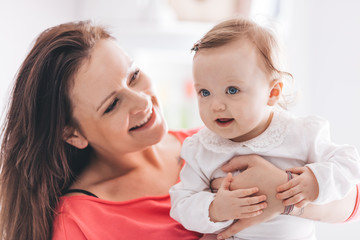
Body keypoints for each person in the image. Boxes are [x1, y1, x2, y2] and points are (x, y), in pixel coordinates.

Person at [0, 20, 359, 240]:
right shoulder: (80, 222)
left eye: (134, 76)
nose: (142, 102)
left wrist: (283, 195)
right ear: (71, 134)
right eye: (112, 104)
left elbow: (351, 205)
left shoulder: (209, 142)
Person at [169, 17, 360, 240]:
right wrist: (215, 208)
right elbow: (182, 203)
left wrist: (315, 180)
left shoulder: (301, 133)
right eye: (204, 92)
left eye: (232, 90)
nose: (216, 106)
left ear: (272, 93)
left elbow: (349, 163)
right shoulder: (200, 148)